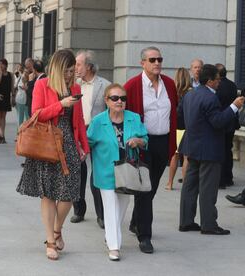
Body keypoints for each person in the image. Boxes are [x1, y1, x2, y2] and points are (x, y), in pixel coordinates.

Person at [16, 49, 89, 261]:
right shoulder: (42, 84)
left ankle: (57, 230)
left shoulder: (75, 87)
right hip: (47, 143)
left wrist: (84, 146)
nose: (70, 75)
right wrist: (60, 105)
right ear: (57, 69)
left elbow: (80, 119)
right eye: (67, 71)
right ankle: (50, 240)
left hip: (69, 145)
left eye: (73, 71)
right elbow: (36, 114)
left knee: (69, 192)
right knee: (48, 192)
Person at [178, 64, 244, 235]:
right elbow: (218, 122)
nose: (219, 83)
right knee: (208, 188)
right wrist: (234, 107)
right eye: (217, 79)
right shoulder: (210, 98)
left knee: (189, 186)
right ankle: (209, 224)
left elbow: (181, 118)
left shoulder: (189, 95)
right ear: (209, 81)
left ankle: (186, 221)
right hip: (209, 149)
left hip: (192, 146)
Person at [124, 46, 178, 254]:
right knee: (145, 189)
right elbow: (122, 112)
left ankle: (136, 221)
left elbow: (173, 113)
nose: (157, 63)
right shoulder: (133, 86)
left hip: (163, 143)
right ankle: (144, 236)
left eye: (159, 59)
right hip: (142, 144)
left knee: (152, 187)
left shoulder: (170, 85)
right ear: (143, 63)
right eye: (152, 59)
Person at [87, 83, 148, 261]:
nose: (119, 101)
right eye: (115, 98)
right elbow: (88, 142)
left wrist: (138, 140)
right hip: (105, 171)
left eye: (123, 98)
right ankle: (114, 247)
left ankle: (110, 234)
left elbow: (146, 139)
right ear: (106, 100)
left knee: (122, 205)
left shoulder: (134, 118)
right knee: (110, 207)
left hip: (128, 171)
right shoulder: (98, 121)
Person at [70, 49, 110, 228]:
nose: (76, 67)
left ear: (89, 66)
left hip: (98, 134)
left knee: (98, 174)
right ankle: (79, 210)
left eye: (79, 64)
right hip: (78, 131)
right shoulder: (72, 85)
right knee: (78, 173)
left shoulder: (105, 85)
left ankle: (101, 214)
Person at [165, 67, 193, 190]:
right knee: (186, 157)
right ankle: (186, 185)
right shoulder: (192, 92)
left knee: (174, 156)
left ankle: (169, 183)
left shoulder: (172, 91)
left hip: (175, 127)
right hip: (187, 127)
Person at [215, 63, 239, 189]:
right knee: (228, 150)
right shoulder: (233, 85)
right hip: (231, 123)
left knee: (221, 150)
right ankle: (228, 177)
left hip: (221, 122)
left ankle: (222, 179)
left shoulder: (217, 86)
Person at [0, 58, 14, 144]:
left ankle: (3, 134)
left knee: (3, 117)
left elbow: (12, 86)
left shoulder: (10, 74)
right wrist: (1, 73)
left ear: (6, 65)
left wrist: (13, 96)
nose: (1, 65)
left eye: (3, 64)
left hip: (6, 97)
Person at [13, 63, 29, 129]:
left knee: (26, 117)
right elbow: (15, 86)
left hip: (24, 99)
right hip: (20, 99)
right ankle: (19, 134)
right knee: (21, 117)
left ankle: (22, 134)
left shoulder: (21, 76)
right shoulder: (18, 76)